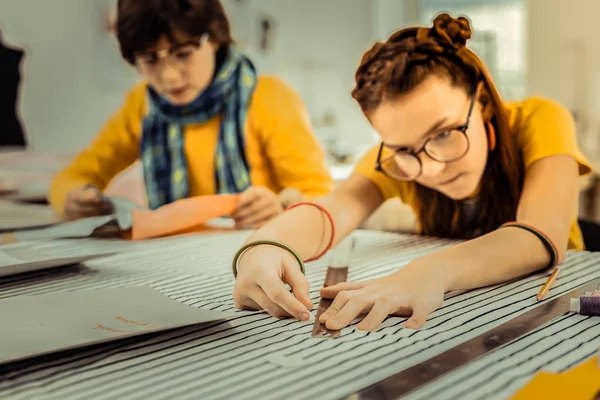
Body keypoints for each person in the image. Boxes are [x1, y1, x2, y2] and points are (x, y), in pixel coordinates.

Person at [232, 14, 592, 331]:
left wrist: (429, 272)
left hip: (568, 301)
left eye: (444, 134)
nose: (431, 167)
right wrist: (267, 243)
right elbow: (333, 211)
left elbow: (539, 234)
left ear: (481, 102)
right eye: (404, 149)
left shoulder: (540, 120)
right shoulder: (393, 160)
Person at [49, 0, 333, 228]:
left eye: (183, 53)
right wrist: (71, 199)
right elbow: (74, 177)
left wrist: (282, 206)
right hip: (178, 259)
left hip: (257, 252)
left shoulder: (267, 96)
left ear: (216, 39)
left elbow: (322, 194)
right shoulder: (142, 105)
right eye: (149, 60)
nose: (169, 77)